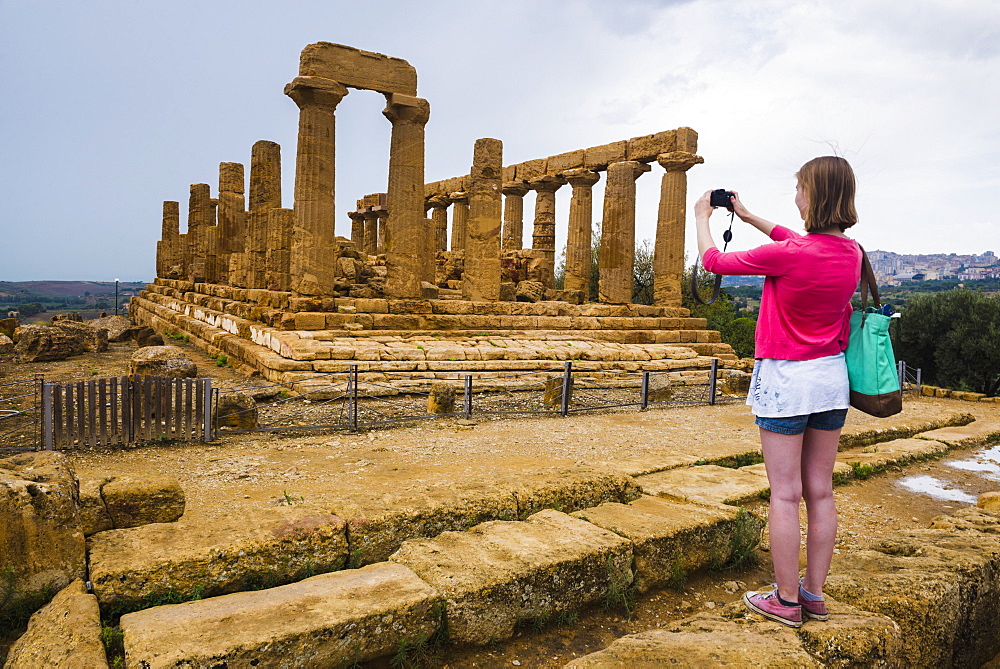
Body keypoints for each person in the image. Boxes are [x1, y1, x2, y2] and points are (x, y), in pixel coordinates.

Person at [693, 156, 863, 628]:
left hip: (788, 382)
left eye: (800, 188)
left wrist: (702, 219)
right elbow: (794, 239)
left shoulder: (790, 257)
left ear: (815, 196)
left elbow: (713, 261)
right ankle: (812, 595)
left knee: (784, 494)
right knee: (821, 493)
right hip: (831, 382)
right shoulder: (853, 254)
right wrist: (747, 216)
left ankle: (785, 601)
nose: (795, 196)